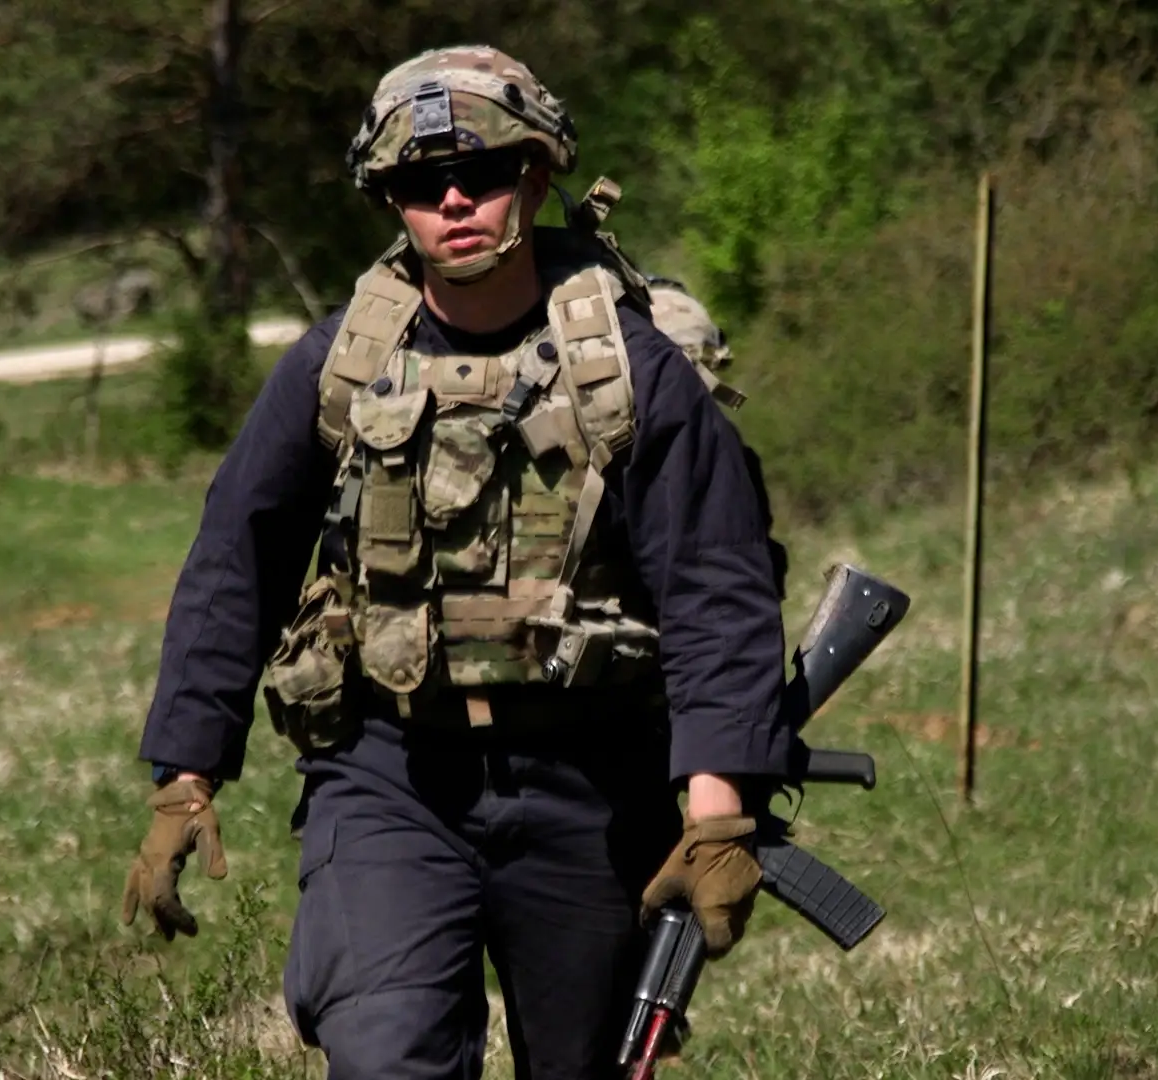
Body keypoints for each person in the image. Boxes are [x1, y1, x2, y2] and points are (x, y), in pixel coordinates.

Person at [120, 45, 792, 1079]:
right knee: (388, 1054)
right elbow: (235, 557)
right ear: (388, 200)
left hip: (592, 783)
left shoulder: (632, 369)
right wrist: (185, 772)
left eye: (478, 173)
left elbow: (714, 582)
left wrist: (715, 807)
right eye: (416, 184)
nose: (452, 201)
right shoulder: (340, 362)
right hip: (390, 774)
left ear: (535, 175)